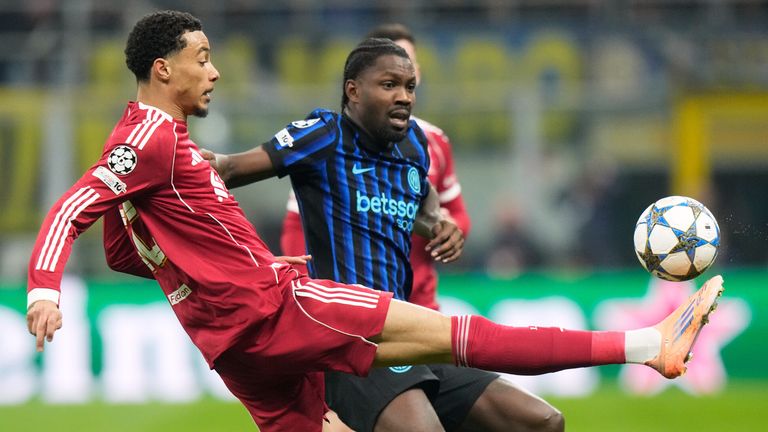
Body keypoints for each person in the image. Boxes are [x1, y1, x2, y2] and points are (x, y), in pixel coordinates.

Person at [26, 10, 724, 432]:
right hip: (282, 309)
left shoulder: (148, 144)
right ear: (162, 68)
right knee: (461, 337)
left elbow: (124, 251)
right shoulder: (153, 138)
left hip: (230, 340)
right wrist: (44, 288)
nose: (214, 72)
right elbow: (71, 208)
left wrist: (213, 266)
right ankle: (647, 344)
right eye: (201, 59)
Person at [273, 24, 561, 432]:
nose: (403, 89)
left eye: (409, 74)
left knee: (540, 420)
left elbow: (445, 209)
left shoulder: (426, 142)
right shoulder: (326, 145)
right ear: (359, 84)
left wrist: (444, 227)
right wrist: (303, 289)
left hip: (421, 312)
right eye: (389, 79)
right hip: (355, 324)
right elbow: (295, 223)